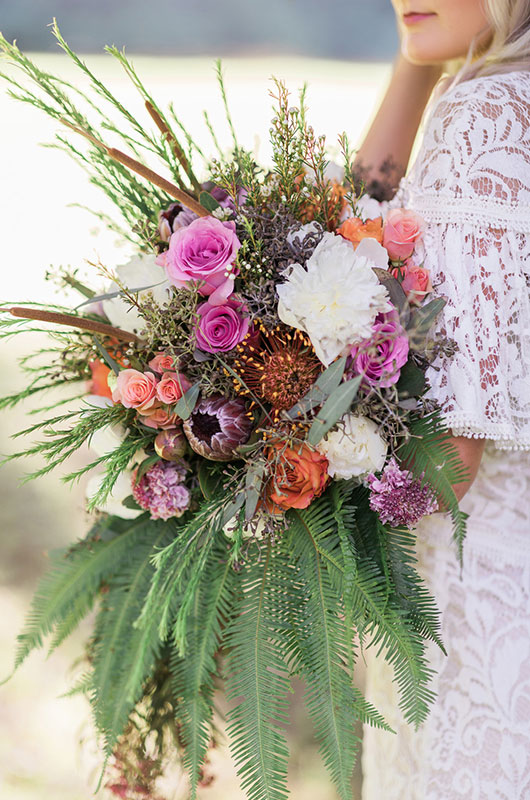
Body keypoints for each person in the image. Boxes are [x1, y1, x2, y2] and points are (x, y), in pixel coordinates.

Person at [356, 2, 530, 798]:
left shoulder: (483, 110)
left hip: (476, 614)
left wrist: (271, 476)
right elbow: (364, 222)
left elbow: (449, 460)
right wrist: (417, 59)